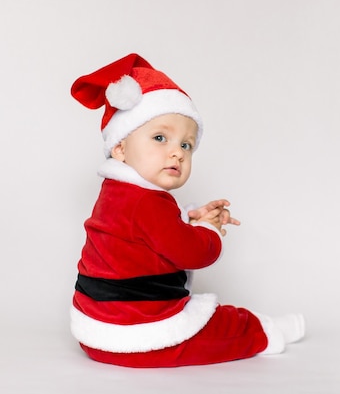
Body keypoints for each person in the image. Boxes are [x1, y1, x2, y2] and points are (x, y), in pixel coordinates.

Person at [70, 53, 304, 367]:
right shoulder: (146, 202)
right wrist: (208, 231)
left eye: (186, 145)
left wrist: (191, 218)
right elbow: (192, 253)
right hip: (138, 336)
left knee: (203, 317)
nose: (177, 153)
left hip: (97, 329)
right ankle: (266, 332)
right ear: (120, 147)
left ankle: (261, 329)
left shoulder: (117, 193)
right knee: (224, 327)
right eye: (160, 138)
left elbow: (145, 242)